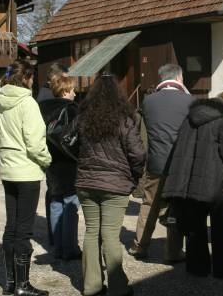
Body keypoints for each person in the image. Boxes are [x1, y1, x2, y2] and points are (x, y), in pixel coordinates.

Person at [76, 74, 146, 296]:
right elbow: (138, 154)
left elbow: (73, 147)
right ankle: (118, 288)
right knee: (110, 235)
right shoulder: (125, 120)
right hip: (115, 185)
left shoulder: (83, 118)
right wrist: (134, 176)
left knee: (91, 232)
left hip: (86, 182)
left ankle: (92, 286)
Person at [162, 90, 223, 278]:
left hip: (189, 179)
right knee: (221, 227)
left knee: (195, 226)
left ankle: (197, 267)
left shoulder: (191, 116)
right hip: (215, 179)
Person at [0, 59, 51, 296]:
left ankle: (9, 282)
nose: (33, 81)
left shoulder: (0, 101)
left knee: (12, 226)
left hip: (8, 170)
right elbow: (35, 143)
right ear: (26, 77)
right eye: (32, 77)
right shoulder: (28, 103)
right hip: (27, 172)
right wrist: (47, 160)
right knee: (24, 230)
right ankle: (22, 285)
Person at [128, 64, 192, 262]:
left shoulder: (148, 101)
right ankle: (173, 251)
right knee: (176, 206)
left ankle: (140, 245)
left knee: (149, 204)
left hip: (156, 161)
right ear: (179, 78)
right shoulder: (189, 101)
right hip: (180, 164)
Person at [38, 75, 82, 261]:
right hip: (69, 162)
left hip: (51, 161)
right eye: (72, 90)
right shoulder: (71, 109)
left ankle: (57, 247)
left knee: (56, 203)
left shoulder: (42, 108)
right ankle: (69, 248)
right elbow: (77, 137)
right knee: (70, 205)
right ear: (65, 91)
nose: (75, 93)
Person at [37, 62, 69, 248]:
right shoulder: (48, 97)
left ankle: (56, 238)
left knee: (55, 196)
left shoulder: (44, 94)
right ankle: (58, 237)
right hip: (56, 154)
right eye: (65, 78)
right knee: (57, 197)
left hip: (51, 154)